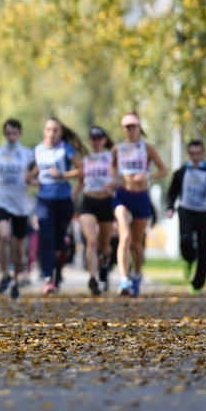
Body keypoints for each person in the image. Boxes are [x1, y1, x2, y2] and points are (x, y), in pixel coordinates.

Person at [111, 112, 168, 297]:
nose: (130, 130)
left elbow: (164, 170)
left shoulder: (147, 148)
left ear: (139, 128)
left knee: (136, 244)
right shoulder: (117, 149)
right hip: (122, 196)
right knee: (124, 236)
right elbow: (112, 169)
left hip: (141, 197)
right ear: (123, 129)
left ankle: (136, 274)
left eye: (133, 126)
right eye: (127, 127)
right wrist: (111, 181)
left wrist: (148, 175)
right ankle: (124, 279)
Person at [26, 118, 86, 294]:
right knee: (46, 239)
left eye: (55, 130)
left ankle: (58, 270)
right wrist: (30, 179)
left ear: (60, 133)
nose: (51, 133)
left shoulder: (65, 149)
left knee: (59, 243)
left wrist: (62, 175)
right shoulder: (37, 150)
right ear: (44, 131)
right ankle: (48, 278)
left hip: (63, 200)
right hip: (44, 200)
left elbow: (81, 170)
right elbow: (32, 172)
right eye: (49, 130)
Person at [165, 140, 206, 294]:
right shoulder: (182, 172)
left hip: (204, 213)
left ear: (203, 153)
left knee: (205, 251)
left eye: (198, 153)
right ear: (189, 154)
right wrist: (170, 207)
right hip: (186, 211)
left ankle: (197, 284)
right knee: (185, 241)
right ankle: (188, 260)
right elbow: (172, 192)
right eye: (192, 153)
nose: (195, 157)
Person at [0, 119, 35, 299]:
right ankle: (4, 274)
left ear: (20, 134)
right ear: (4, 134)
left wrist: (33, 181)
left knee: (19, 247)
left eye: (14, 133)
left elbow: (33, 175)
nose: (11, 136)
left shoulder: (28, 154)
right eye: (8, 133)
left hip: (21, 203)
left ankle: (16, 279)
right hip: (2, 200)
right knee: (4, 236)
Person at [77, 126, 115, 296]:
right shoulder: (86, 159)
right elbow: (79, 176)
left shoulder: (111, 156)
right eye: (93, 139)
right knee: (91, 241)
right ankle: (92, 278)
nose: (96, 142)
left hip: (106, 202)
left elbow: (120, 176)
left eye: (99, 139)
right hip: (88, 201)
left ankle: (104, 269)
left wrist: (114, 186)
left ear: (104, 140)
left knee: (104, 246)